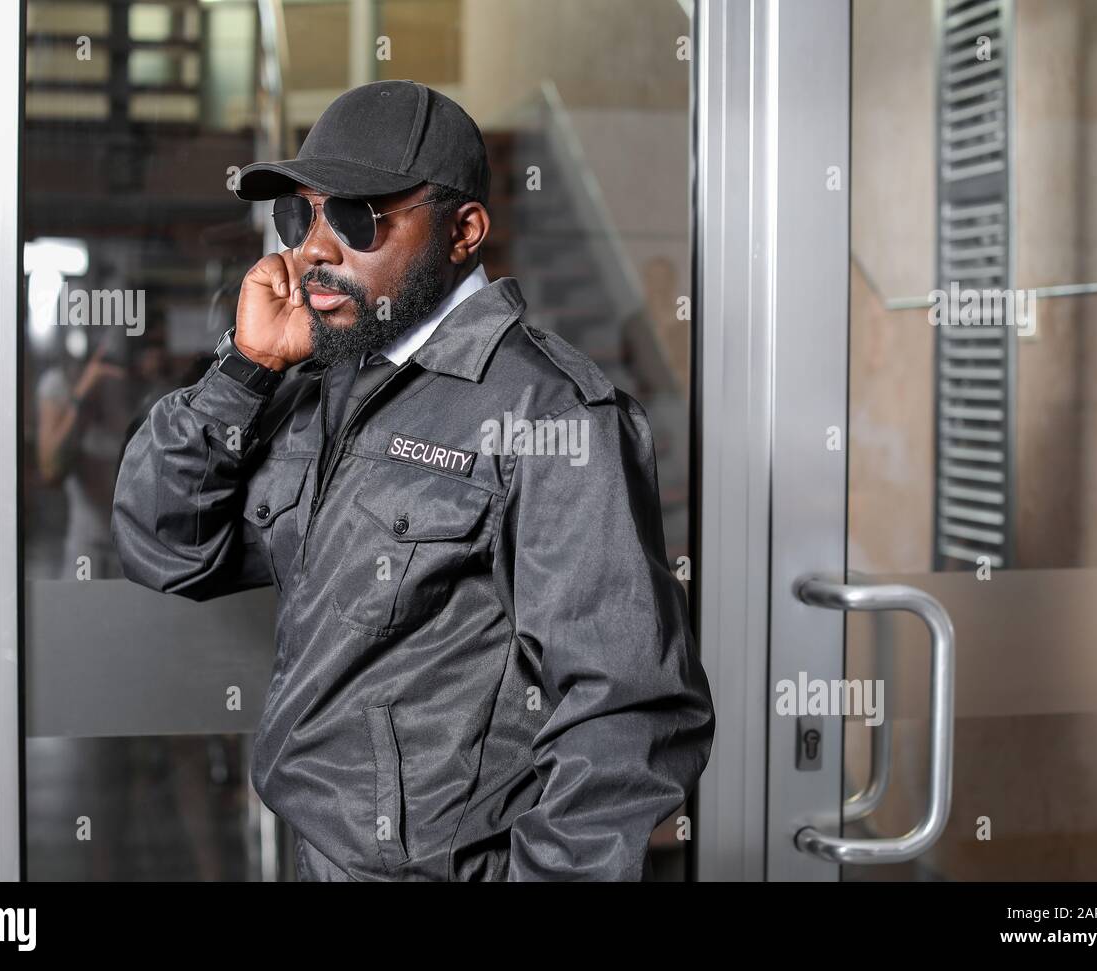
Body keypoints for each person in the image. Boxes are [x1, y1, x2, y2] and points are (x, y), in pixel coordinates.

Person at [111, 79, 715, 881]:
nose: (316, 248)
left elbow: (628, 713)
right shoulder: (318, 380)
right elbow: (163, 546)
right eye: (303, 215)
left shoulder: (551, 414)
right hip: (314, 852)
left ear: (464, 230)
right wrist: (245, 370)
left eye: (358, 217)